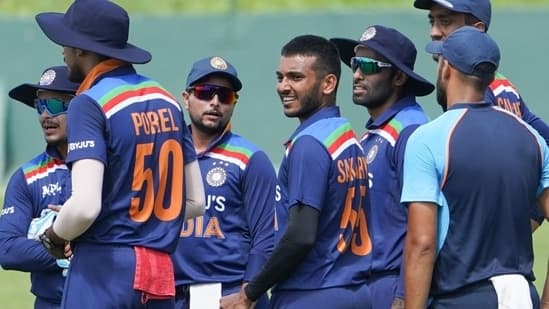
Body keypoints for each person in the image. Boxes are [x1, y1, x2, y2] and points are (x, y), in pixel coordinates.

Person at [34, 0, 205, 308]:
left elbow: (85, 207)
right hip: (160, 273)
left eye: (65, 43)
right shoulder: (167, 101)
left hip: (104, 269)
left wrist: (54, 236)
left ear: (82, 48)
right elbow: (195, 202)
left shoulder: (88, 102)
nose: (62, 52)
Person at [221, 34, 372, 309]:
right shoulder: (347, 138)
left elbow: (301, 235)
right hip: (353, 291)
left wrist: (250, 293)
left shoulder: (310, 144)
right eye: (280, 77)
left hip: (311, 293)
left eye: (295, 77)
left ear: (328, 83)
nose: (283, 87)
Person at [401, 26, 549, 308]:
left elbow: (422, 244)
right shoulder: (532, 138)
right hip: (521, 295)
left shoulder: (428, 138)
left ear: (446, 68)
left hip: (459, 299)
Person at [413, 0, 548, 230]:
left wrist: (532, 215)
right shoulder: (501, 84)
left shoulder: (475, 95)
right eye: (432, 20)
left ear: (477, 30)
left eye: (445, 21)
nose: (434, 32)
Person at [330, 25, 434, 309]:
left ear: (399, 76)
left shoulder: (410, 131)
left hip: (392, 286)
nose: (357, 74)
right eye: (354, 64)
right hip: (366, 284)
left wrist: (404, 294)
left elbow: (422, 224)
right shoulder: (376, 133)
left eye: (368, 65)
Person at [172, 56, 276, 309]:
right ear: (186, 98)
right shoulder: (165, 156)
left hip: (227, 294)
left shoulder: (250, 159)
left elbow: (265, 236)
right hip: (170, 294)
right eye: (205, 93)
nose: (215, 102)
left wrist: (247, 293)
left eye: (225, 96)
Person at [0, 65, 78, 309]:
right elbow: (8, 249)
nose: (45, 115)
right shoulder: (25, 177)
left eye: (54, 105)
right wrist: (68, 251)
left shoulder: (114, 166)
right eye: (40, 106)